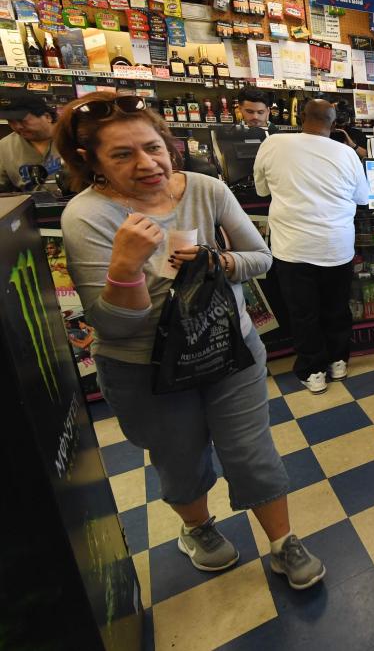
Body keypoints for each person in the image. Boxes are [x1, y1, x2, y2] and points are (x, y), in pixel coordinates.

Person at [55, 92, 325, 589]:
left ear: (169, 144)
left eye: (153, 147)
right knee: (179, 456)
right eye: (122, 155)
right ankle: (197, 528)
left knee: (250, 450)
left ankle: (283, 541)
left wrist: (216, 261)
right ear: (88, 160)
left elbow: (260, 258)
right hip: (145, 369)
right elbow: (115, 325)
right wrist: (126, 266)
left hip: (228, 348)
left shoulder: (205, 188)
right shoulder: (86, 216)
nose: (146, 163)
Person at [254, 99, 369, 393]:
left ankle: (313, 370)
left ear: (300, 116)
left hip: (293, 248)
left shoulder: (273, 143)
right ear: (333, 123)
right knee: (336, 307)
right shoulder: (346, 153)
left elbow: (261, 189)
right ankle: (338, 361)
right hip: (337, 246)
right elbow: (362, 198)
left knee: (304, 312)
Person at [0, 95, 63, 191]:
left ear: (47, 117)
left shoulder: (74, 137)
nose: (17, 127)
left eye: (22, 121)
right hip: (29, 204)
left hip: (75, 202)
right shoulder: (4, 147)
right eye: (11, 121)